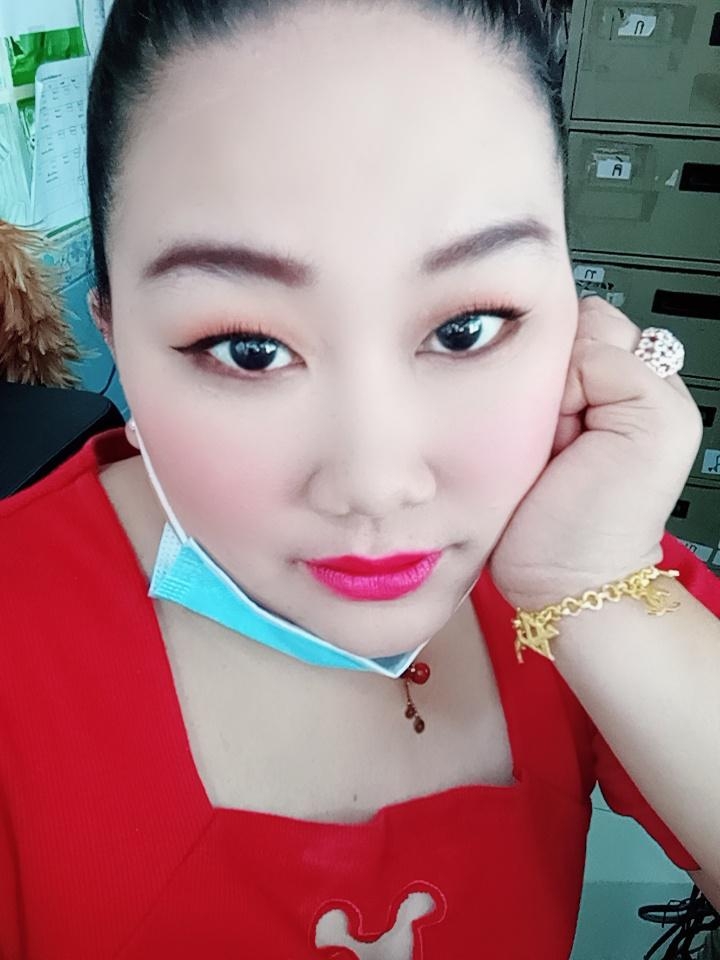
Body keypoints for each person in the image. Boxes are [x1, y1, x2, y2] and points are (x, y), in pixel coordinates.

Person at [1, 0, 719, 956]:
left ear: (573, 312)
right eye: (248, 348)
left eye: (466, 329)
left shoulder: (595, 562)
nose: (378, 486)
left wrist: (594, 593)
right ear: (115, 333)